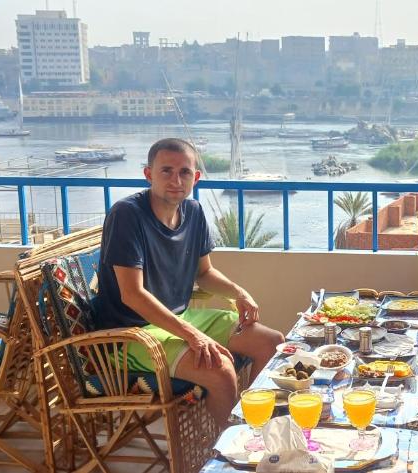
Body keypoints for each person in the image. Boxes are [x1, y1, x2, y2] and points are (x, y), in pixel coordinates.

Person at [93, 138, 284, 426]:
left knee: (271, 343)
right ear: (149, 174)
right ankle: (226, 455)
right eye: (166, 171)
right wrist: (192, 335)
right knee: (220, 370)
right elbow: (132, 294)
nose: (175, 180)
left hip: (179, 317)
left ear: (195, 177)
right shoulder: (127, 215)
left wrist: (239, 293)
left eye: (184, 172)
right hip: (130, 334)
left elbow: (204, 273)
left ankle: (259, 430)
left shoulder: (193, 212)